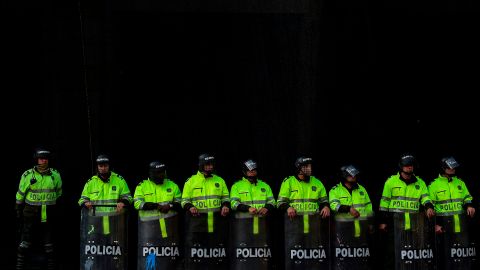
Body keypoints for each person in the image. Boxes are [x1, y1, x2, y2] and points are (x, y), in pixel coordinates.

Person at [378, 154, 435, 269]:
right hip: (395, 224)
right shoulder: (391, 182)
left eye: (412, 165)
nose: (410, 167)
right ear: (401, 167)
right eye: (407, 165)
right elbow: (384, 203)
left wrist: (429, 207)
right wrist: (383, 221)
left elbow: (425, 198)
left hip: (415, 224)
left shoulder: (420, 182)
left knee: (413, 252)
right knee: (392, 253)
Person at [78, 154, 132, 268]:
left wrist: (123, 202)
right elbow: (81, 199)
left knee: (113, 254)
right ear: (97, 167)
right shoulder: (91, 182)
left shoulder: (119, 180)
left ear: (109, 166)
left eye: (105, 165)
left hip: (114, 225)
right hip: (95, 226)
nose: (103, 168)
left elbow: (129, 197)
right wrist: (85, 203)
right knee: (96, 253)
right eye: (100, 166)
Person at [277, 157, 330, 270]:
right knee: (294, 254)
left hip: (314, 227)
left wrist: (326, 206)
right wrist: (288, 207)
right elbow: (280, 202)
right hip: (294, 226)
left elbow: (324, 200)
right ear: (299, 168)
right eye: (306, 166)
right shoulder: (289, 182)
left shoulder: (317, 182)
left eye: (310, 166)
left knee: (314, 255)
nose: (309, 168)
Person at [15, 147, 63, 270]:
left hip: (49, 213)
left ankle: (51, 266)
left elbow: (58, 193)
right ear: (36, 159)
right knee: (25, 241)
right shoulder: (27, 175)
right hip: (30, 213)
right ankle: (20, 266)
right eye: (41, 159)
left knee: (49, 243)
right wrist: (18, 208)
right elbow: (20, 194)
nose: (44, 161)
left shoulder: (55, 175)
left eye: (46, 159)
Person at [181, 153, 230, 269]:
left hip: (216, 223)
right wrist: (190, 207)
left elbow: (226, 198)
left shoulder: (220, 180)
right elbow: (184, 201)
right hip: (197, 224)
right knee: (196, 254)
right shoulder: (191, 181)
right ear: (201, 165)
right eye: (207, 165)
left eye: (212, 165)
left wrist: (225, 206)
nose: (210, 167)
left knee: (216, 255)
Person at [428, 156, 475, 269]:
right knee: (445, 255)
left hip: (461, 225)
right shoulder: (433, 185)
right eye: (450, 167)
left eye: (454, 167)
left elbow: (467, 197)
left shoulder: (460, 182)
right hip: (444, 227)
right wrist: (435, 224)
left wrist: (469, 205)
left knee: (463, 254)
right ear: (443, 168)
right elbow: (430, 207)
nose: (453, 169)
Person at [134, 161, 183, 269]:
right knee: (151, 262)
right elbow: (137, 204)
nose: (160, 175)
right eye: (157, 173)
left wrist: (169, 206)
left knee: (168, 261)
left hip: (170, 232)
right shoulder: (142, 186)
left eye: (162, 172)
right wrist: (156, 206)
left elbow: (181, 203)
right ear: (151, 173)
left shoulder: (172, 185)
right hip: (149, 232)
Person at [229, 159, 276, 270]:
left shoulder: (265, 185)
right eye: (250, 171)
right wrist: (247, 208)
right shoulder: (237, 186)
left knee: (262, 254)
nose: (252, 173)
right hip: (243, 228)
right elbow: (233, 203)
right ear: (245, 172)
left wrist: (266, 208)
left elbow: (273, 202)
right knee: (244, 254)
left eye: (254, 170)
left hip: (262, 227)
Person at [329, 165, 374, 270]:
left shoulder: (362, 189)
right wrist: (348, 209)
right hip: (343, 233)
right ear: (344, 176)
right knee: (344, 262)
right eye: (351, 175)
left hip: (361, 232)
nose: (354, 177)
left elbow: (369, 207)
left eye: (355, 175)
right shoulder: (335, 190)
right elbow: (333, 205)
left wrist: (371, 224)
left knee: (361, 261)